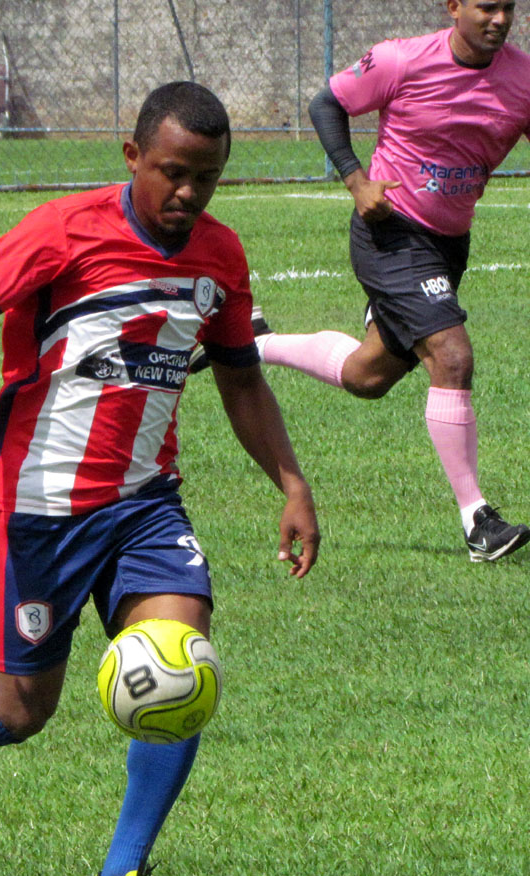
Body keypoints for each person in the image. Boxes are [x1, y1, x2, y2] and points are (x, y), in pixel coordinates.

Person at [0, 81, 320, 876]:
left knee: (180, 668)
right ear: (132, 156)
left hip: (145, 505)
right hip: (36, 506)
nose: (187, 194)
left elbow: (242, 376)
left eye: (207, 179)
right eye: (174, 173)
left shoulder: (219, 255)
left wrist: (290, 481)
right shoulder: (64, 231)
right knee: (23, 708)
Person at [229, 0, 530, 562]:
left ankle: (251, 344)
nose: (499, 19)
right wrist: (356, 180)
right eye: (487, 6)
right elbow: (327, 104)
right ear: (455, 7)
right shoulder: (402, 61)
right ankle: (478, 522)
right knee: (453, 357)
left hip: (448, 244)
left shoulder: (522, 77)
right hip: (389, 232)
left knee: (368, 377)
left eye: (509, 8)